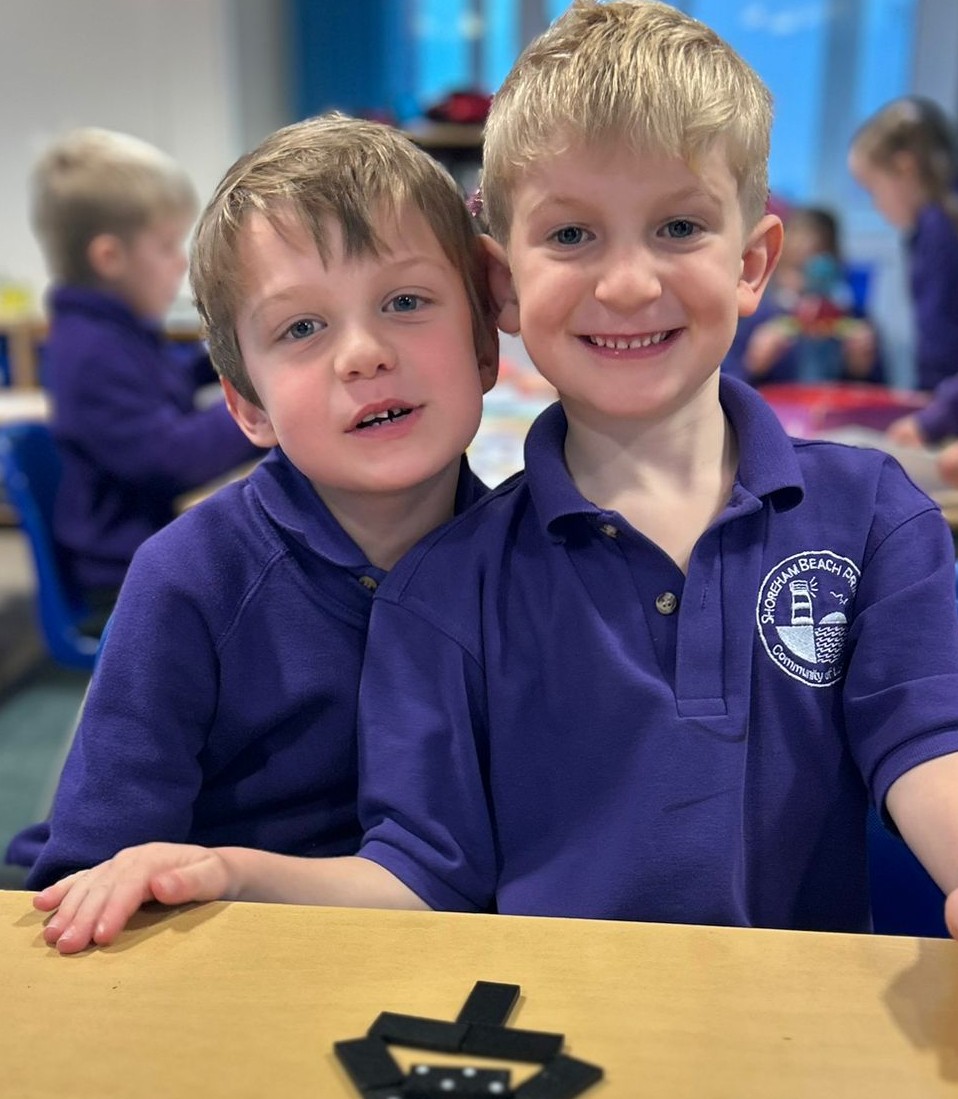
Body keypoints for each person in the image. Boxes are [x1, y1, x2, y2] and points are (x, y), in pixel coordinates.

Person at [35, 0, 958, 953]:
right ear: (503, 289)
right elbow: (423, 871)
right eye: (572, 235)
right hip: (473, 1003)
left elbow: (927, 739)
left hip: (785, 1017)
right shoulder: (445, 582)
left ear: (752, 263)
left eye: (680, 225)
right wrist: (218, 871)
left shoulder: (875, 515)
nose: (629, 283)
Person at [12, 113, 497, 896]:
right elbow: (97, 875)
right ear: (248, 408)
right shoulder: (188, 581)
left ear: (485, 346)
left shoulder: (527, 560)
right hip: (216, 929)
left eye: (405, 300)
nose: (365, 353)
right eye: (303, 326)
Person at [30, 127, 263, 631]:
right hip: (121, 577)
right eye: (166, 246)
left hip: (145, 548)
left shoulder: (116, 332)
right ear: (110, 258)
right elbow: (172, 457)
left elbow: (170, 379)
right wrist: (268, 406)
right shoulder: (90, 352)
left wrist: (231, 351)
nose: (181, 262)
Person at [849, 96, 958, 397]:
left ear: (904, 167)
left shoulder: (940, 225)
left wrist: (931, 414)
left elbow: (940, 344)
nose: (876, 205)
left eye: (873, 189)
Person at [724, 205, 881, 385]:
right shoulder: (753, 317)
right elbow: (723, 384)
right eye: (794, 268)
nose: (803, 283)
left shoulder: (854, 318)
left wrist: (863, 369)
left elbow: (882, 387)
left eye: (815, 269)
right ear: (773, 266)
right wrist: (752, 366)